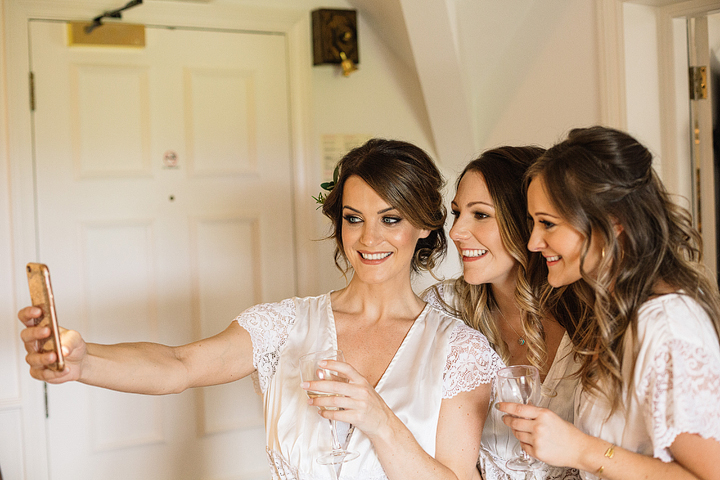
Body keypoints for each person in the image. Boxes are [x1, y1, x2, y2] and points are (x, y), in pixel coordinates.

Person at [19, 138, 502, 480]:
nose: (369, 239)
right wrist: (84, 361)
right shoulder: (285, 325)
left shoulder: (458, 348)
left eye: (389, 219)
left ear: (424, 226)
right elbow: (178, 365)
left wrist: (379, 421)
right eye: (354, 219)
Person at [498, 126, 720, 479]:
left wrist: (581, 449)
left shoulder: (667, 328)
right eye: (533, 223)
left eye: (548, 224)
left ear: (612, 223)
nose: (534, 242)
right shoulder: (613, 314)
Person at [423, 146, 581, 480]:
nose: (456, 232)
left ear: (528, 221)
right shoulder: (443, 310)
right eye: (457, 213)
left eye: (480, 214)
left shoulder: (586, 315)